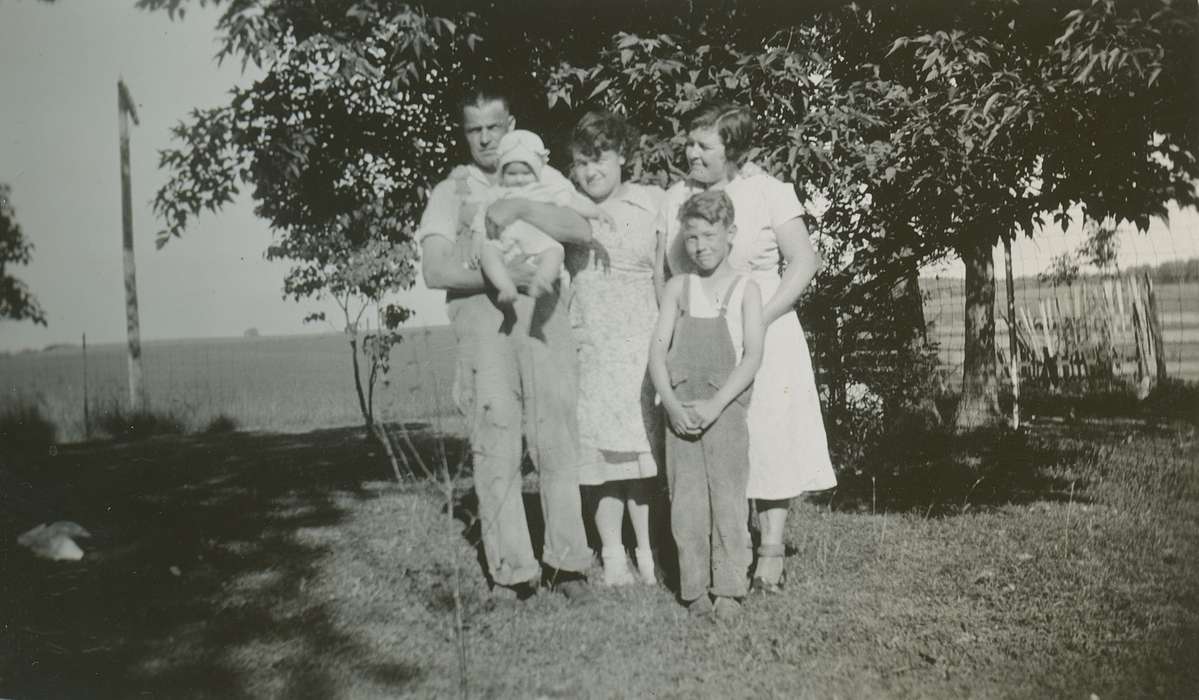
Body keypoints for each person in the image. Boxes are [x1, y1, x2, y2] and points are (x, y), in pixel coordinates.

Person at [417, 84, 594, 601]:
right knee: (495, 443)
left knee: (556, 436)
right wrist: (507, 274)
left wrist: (518, 206)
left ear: (510, 123)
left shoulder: (542, 173)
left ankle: (569, 563)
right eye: (474, 129)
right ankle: (512, 569)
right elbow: (434, 269)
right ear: (464, 132)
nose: (486, 138)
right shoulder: (452, 190)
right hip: (485, 328)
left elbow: (579, 229)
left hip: (543, 320)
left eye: (494, 126)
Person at [658, 102, 837, 594]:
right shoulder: (677, 197)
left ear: (731, 149)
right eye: (688, 144)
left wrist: (761, 316)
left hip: (764, 322)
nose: (691, 154)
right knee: (716, 439)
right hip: (700, 331)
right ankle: (719, 549)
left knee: (767, 435)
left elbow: (804, 262)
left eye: (703, 146)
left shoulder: (767, 191)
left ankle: (771, 553)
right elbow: (668, 271)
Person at [649, 190, 764, 619]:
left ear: (730, 234)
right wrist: (672, 406)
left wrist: (716, 405)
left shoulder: (745, 289)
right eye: (692, 237)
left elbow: (752, 355)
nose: (701, 246)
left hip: (725, 410)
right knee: (688, 500)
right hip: (681, 412)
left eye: (710, 235)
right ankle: (694, 586)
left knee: (728, 499)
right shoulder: (680, 288)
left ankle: (731, 587)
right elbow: (657, 352)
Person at [567, 111, 664, 586]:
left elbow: (668, 273)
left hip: (638, 344)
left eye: (599, 159)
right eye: (581, 163)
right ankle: (611, 554)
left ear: (622, 156)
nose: (591, 172)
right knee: (599, 461)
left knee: (637, 456)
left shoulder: (652, 202)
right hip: (591, 345)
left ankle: (646, 553)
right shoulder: (565, 206)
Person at [471, 129, 613, 305]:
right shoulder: (497, 191)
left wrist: (596, 212)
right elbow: (481, 217)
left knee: (555, 251)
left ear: (536, 172)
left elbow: (571, 201)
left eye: (525, 173)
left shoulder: (543, 189)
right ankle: (505, 286)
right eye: (512, 174)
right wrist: (477, 241)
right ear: (502, 173)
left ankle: (543, 280)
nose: (519, 179)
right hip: (506, 244)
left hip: (538, 242)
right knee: (488, 252)